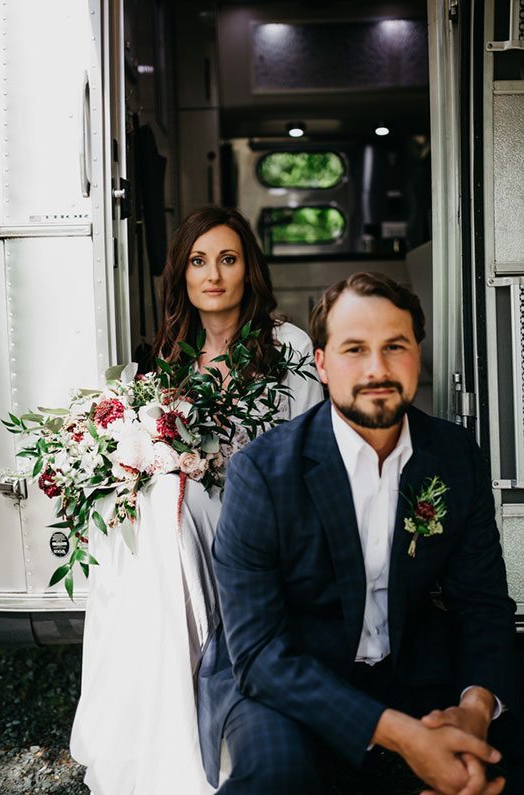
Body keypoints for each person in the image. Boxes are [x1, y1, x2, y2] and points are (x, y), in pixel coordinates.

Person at [199, 272, 517, 795]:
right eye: (354, 350)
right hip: (287, 677)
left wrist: (473, 712)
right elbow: (257, 653)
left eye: (395, 346)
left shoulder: (454, 455)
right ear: (321, 364)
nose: (377, 369)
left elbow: (481, 604)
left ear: (418, 353)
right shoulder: (261, 472)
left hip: (410, 663)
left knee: (495, 768)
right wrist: (404, 736)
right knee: (279, 777)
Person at [70, 206, 323, 794]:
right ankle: (161, 709)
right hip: (188, 521)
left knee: (165, 520)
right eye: (198, 260)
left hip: (268, 520)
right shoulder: (174, 357)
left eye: (228, 259)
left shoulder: (285, 344)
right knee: (144, 512)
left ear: (248, 270)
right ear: (181, 275)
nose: (213, 274)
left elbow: (314, 452)